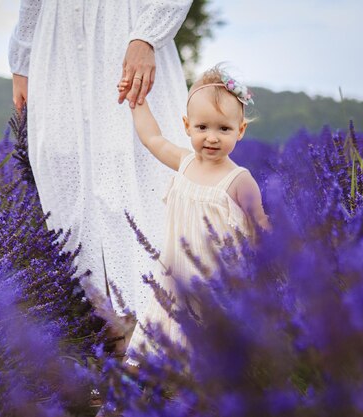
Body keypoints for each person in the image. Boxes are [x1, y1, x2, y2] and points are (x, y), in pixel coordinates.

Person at [8, 1, 192, 321]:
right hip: (58, 50)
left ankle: (158, 329)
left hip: (126, 34)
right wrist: (22, 60)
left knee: (145, 181)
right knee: (67, 182)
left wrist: (146, 37)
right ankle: (98, 329)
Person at [119, 65, 270, 367]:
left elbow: (261, 228)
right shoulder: (185, 163)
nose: (211, 138)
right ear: (188, 126)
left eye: (223, 129)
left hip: (214, 291)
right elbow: (152, 138)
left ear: (240, 130)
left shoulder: (238, 181)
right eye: (202, 128)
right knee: (147, 355)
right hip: (173, 284)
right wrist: (137, 102)